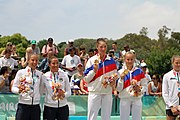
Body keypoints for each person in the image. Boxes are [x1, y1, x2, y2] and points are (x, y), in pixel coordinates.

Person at [84, 38, 118, 120]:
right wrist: (94, 71)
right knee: (92, 117)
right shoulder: (92, 60)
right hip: (94, 92)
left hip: (107, 93)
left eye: (105, 47)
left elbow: (115, 76)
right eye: (101, 47)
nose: (103, 49)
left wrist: (113, 80)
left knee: (106, 117)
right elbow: (86, 79)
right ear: (97, 47)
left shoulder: (111, 61)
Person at [11, 54, 46, 120]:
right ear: (28, 61)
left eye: (36, 60)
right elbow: (13, 87)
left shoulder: (40, 74)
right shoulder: (21, 72)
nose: (34, 62)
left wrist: (37, 96)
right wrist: (19, 91)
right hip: (23, 105)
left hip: (35, 106)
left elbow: (41, 89)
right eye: (32, 60)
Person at [116, 51, 147, 120]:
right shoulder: (120, 72)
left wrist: (139, 89)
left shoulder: (139, 71)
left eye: (131, 59)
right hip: (124, 98)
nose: (129, 61)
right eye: (127, 59)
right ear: (124, 59)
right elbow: (118, 89)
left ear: (134, 59)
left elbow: (145, 85)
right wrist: (121, 79)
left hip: (136, 99)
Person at [162, 55, 180, 120]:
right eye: (176, 63)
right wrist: (171, 106)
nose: (178, 65)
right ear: (172, 63)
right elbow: (165, 93)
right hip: (171, 106)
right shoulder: (167, 76)